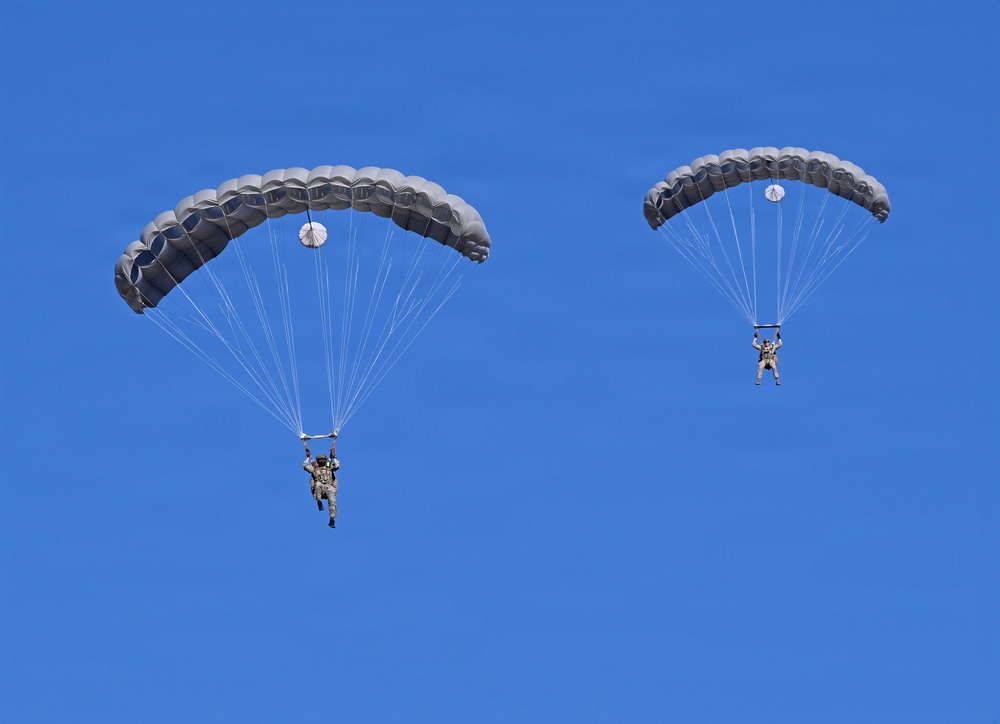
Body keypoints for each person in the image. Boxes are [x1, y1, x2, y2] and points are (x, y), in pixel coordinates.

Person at [304, 445, 340, 528]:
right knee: (318, 484)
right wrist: (308, 458)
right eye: (319, 460)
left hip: (329, 487)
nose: (321, 461)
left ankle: (332, 519)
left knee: (333, 501)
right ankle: (319, 502)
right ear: (317, 461)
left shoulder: (329, 467)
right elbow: (305, 466)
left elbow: (337, 466)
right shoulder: (314, 469)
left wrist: (334, 457)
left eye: (323, 460)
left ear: (325, 460)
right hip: (319, 489)